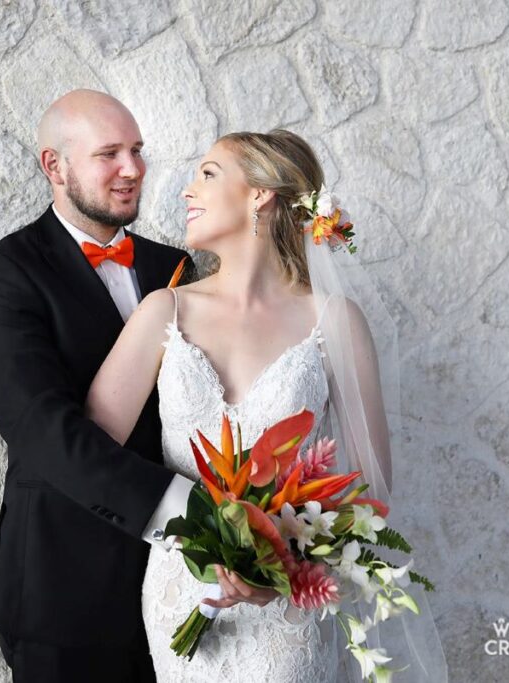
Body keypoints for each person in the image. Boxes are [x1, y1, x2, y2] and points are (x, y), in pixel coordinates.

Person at [84, 130, 448, 681]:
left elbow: (369, 488)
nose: (186, 189)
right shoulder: (165, 311)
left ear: (260, 195)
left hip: (286, 604)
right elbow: (90, 454)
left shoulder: (334, 320)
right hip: (181, 592)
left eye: (207, 173)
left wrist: (283, 567)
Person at [0, 89, 261, 682]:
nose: (133, 169)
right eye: (109, 154)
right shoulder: (4, 273)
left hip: (188, 590)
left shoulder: (175, 265)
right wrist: (197, 517)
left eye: (137, 150)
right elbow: (44, 432)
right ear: (55, 166)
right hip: (65, 591)